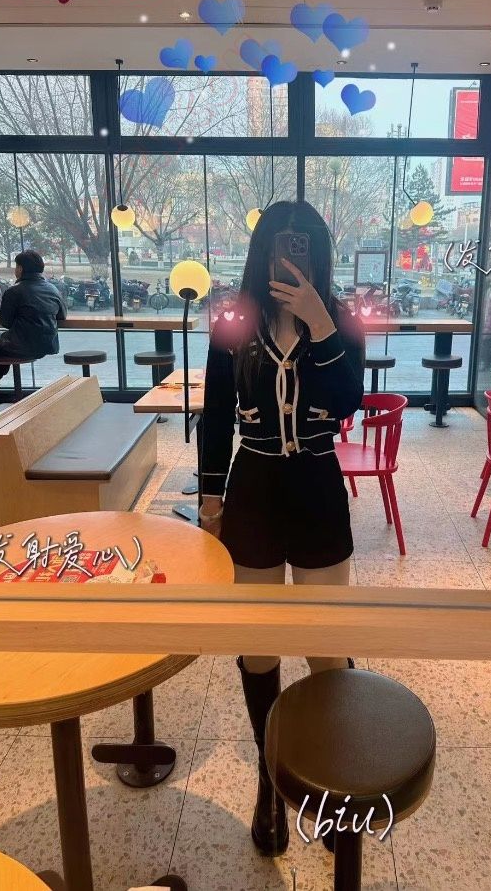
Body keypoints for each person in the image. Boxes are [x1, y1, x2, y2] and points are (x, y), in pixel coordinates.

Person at [199, 201, 365, 857]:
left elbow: (347, 401)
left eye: (303, 246)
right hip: (256, 490)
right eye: (279, 245)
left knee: (326, 645)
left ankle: (330, 780)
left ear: (318, 253)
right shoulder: (233, 322)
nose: (290, 257)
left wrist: (321, 324)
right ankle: (270, 782)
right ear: (262, 252)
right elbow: (216, 417)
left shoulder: (342, 319)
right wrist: (210, 502)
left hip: (318, 486)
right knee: (260, 644)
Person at [0, 250, 67, 404]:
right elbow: (62, 316)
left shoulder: (14, 291)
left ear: (20, 269)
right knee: (2, 345)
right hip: (46, 345)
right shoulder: (53, 289)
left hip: (21, 344)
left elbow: (5, 323)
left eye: (16, 267)